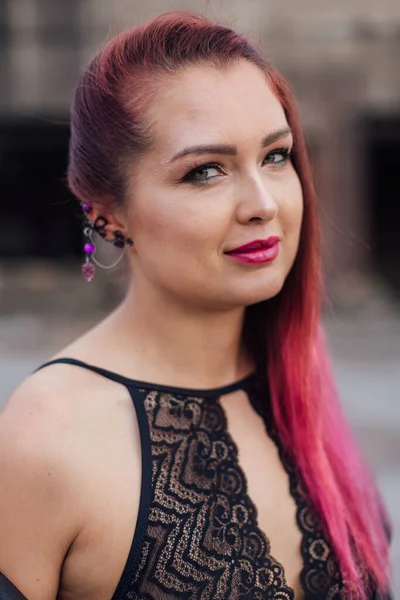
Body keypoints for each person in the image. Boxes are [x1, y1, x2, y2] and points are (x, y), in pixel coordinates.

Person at [0, 11, 392, 600]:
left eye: (276, 157)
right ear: (107, 211)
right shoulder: (46, 439)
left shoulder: (300, 389)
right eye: (205, 171)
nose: (263, 204)